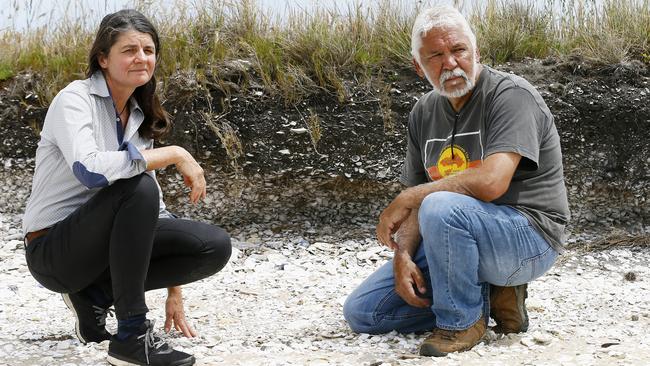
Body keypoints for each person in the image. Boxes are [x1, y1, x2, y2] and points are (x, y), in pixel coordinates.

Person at [343, 5, 569, 357]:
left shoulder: (511, 96)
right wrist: (403, 254)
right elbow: (422, 206)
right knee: (366, 312)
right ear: (419, 67)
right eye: (435, 55)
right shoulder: (424, 112)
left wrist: (409, 197)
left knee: (439, 203)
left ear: (476, 52)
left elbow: (492, 183)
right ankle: (490, 296)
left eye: (458, 50)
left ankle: (461, 322)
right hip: (452, 237)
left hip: (528, 238)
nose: (450, 63)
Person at [22, 9, 231, 366]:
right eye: (129, 50)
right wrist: (175, 153)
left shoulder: (137, 114)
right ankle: (132, 336)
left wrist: (174, 291)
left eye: (148, 50)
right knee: (137, 188)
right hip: (53, 250)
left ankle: (94, 297)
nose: (142, 58)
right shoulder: (75, 99)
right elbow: (90, 169)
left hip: (101, 248)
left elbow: (153, 212)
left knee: (212, 245)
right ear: (103, 58)